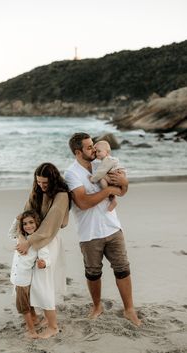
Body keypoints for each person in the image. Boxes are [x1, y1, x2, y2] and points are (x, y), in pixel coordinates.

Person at [64, 132, 141, 326]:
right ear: (78, 151)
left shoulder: (101, 163)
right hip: (89, 233)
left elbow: (122, 189)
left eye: (94, 146)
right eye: (89, 147)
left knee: (123, 269)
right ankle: (97, 306)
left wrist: (123, 183)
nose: (94, 149)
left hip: (113, 227)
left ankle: (129, 309)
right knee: (93, 272)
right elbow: (82, 202)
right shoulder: (72, 173)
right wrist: (108, 190)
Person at [16, 162, 71, 338]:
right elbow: (24, 214)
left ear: (53, 180)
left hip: (48, 241)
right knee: (26, 279)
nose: (41, 185)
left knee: (43, 283)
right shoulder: (37, 191)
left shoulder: (61, 195)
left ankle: (53, 326)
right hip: (30, 240)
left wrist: (28, 241)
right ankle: (35, 316)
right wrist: (21, 238)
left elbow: (50, 225)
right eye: (38, 182)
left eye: (45, 183)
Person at [8, 210, 50, 338]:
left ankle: (32, 331)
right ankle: (35, 319)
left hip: (24, 280)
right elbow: (11, 232)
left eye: (31, 222)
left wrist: (44, 263)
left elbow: (46, 257)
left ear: (37, 223)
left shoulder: (38, 243)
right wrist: (17, 219)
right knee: (28, 303)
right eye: (25, 223)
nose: (28, 226)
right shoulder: (21, 238)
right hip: (16, 276)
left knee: (23, 307)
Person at [89, 140, 125, 212]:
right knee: (103, 179)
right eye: (96, 151)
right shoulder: (106, 160)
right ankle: (112, 198)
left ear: (107, 152)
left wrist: (92, 179)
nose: (96, 153)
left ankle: (109, 196)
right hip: (116, 177)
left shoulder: (108, 160)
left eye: (99, 151)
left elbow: (101, 172)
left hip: (116, 177)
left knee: (101, 178)